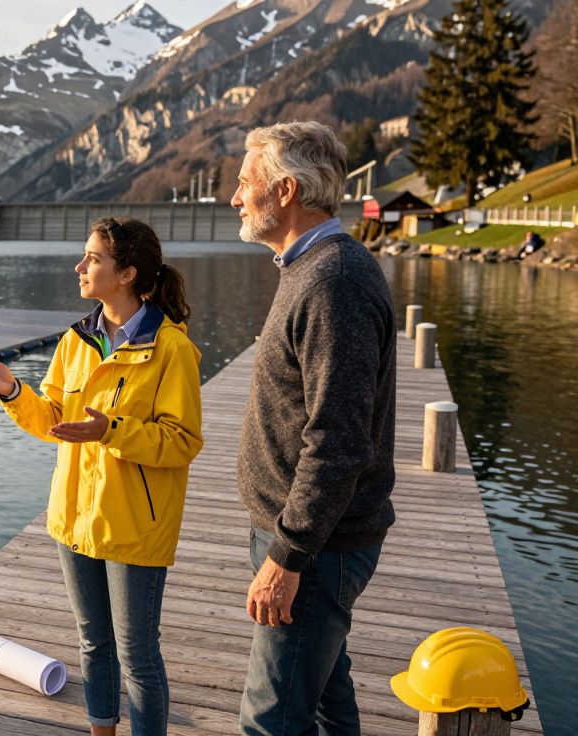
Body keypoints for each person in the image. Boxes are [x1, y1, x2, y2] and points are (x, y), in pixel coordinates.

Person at [0, 217, 203, 736]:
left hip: (135, 525)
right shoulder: (76, 341)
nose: (80, 266)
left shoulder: (172, 351)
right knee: (93, 641)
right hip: (74, 519)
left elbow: (182, 442)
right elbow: (54, 422)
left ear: (127, 274)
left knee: (137, 655)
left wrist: (110, 430)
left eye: (92, 258)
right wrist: (12, 392)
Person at [230, 121, 397, 735]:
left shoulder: (334, 283)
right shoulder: (309, 267)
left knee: (268, 719)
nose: (235, 197)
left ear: (286, 190)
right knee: (326, 697)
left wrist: (287, 556)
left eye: (245, 183)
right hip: (303, 535)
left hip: (315, 545)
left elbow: (338, 441)